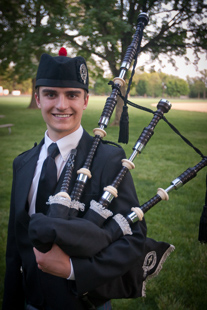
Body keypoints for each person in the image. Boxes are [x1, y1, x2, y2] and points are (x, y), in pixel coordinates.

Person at [2, 48, 149, 310]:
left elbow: (133, 238)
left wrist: (72, 269)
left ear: (85, 100)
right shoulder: (22, 163)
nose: (61, 105)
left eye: (72, 95)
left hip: (84, 302)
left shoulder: (109, 159)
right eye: (50, 94)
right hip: (31, 302)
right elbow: (16, 246)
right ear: (37, 98)